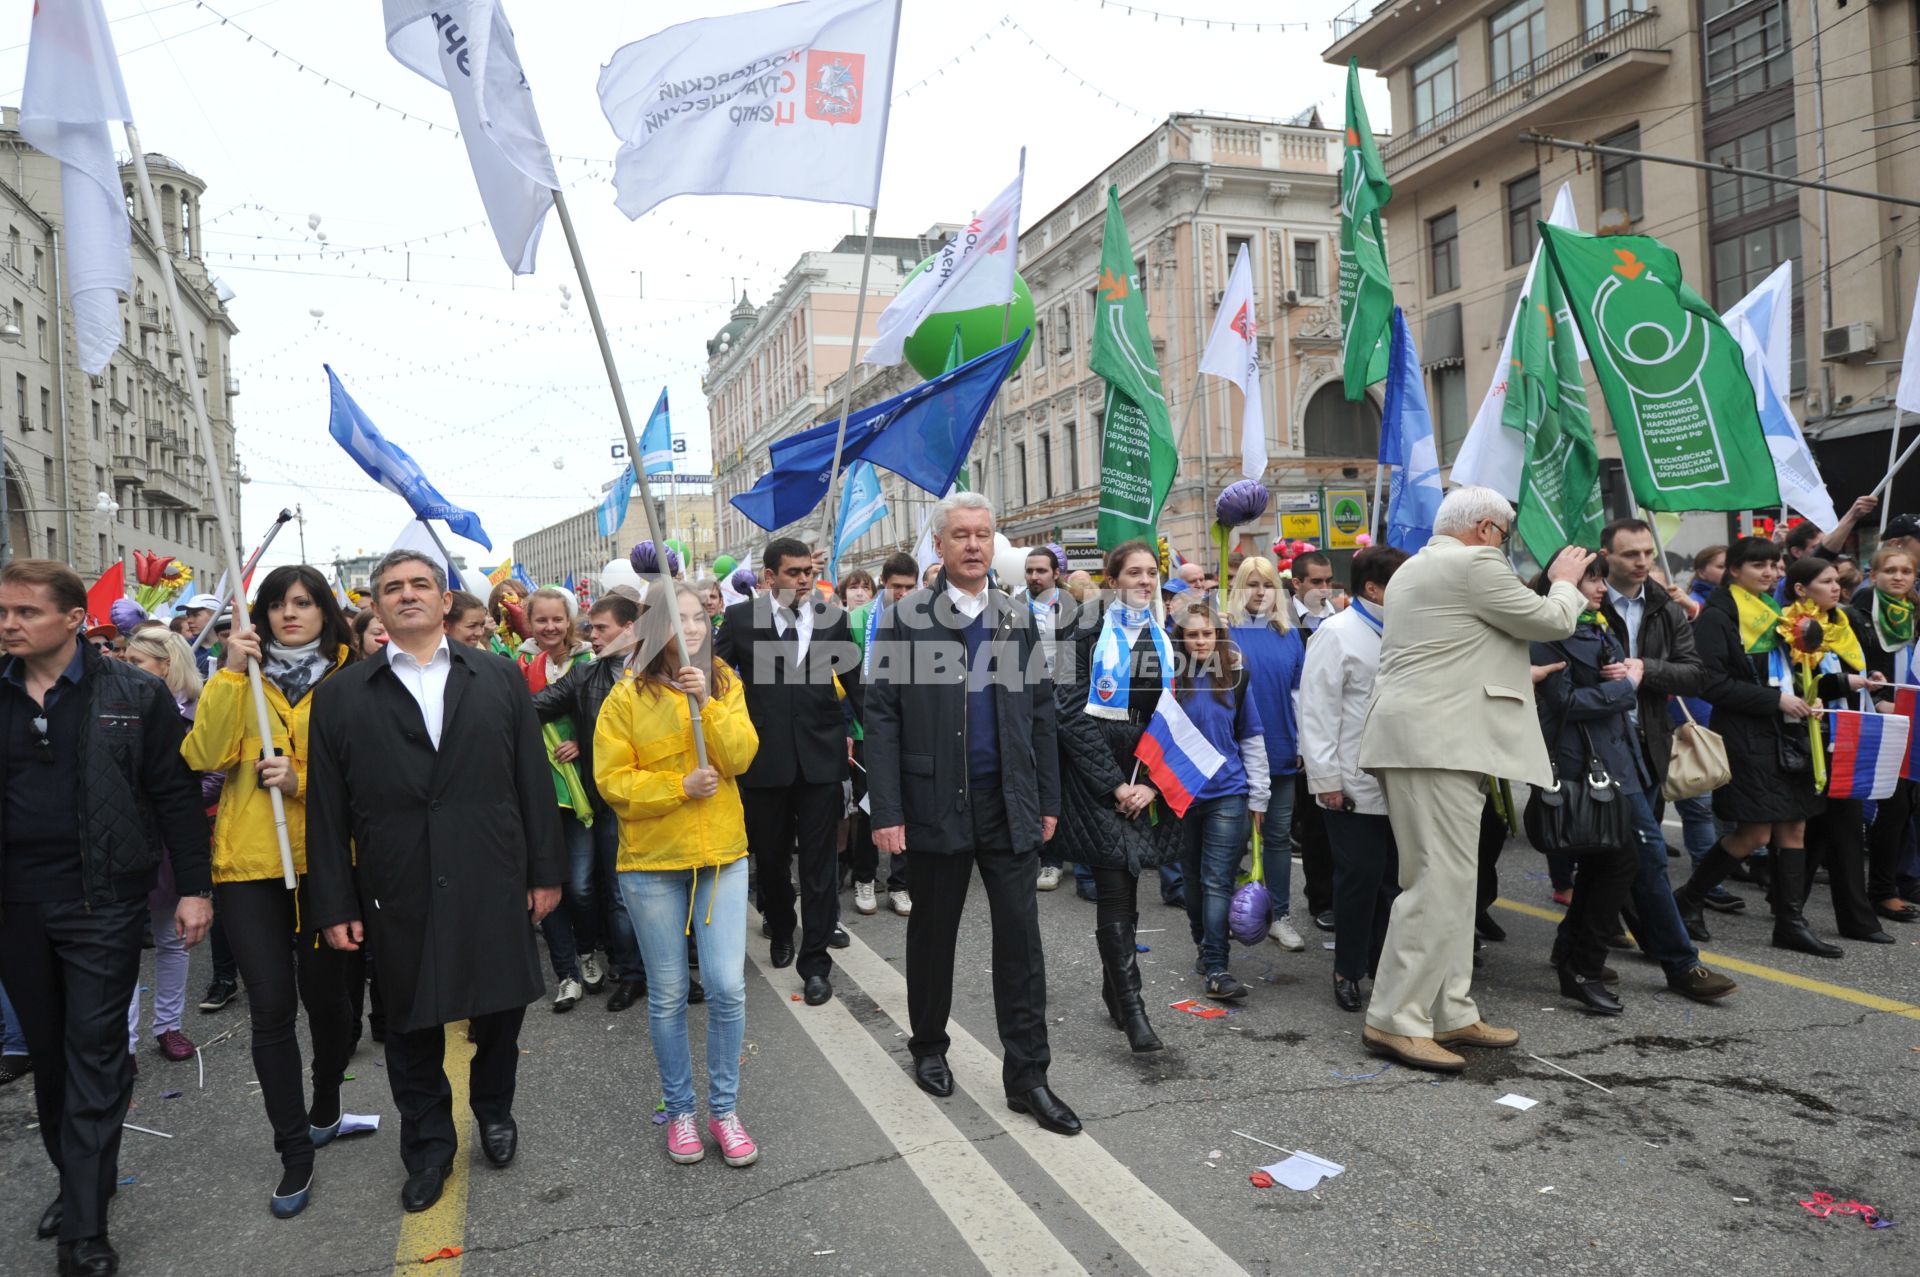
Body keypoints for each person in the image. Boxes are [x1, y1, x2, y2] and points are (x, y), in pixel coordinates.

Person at [306, 550, 564, 1215]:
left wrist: (545, 872)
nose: (407, 594)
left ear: (445, 600)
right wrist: (332, 900)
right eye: (392, 587)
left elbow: (532, 783)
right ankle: (427, 1146)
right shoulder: (340, 694)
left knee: (500, 1010)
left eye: (420, 583)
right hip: (398, 881)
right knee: (411, 1024)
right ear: (376, 606)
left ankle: (494, 1109)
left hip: (491, 870)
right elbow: (328, 810)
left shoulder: (501, 677)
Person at [0, 559, 212, 1275]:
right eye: (3, 610)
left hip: (104, 900)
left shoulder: (135, 692)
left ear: (69, 618)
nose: (9, 622)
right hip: (15, 905)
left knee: (95, 1052)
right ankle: (77, 1178)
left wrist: (194, 887)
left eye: (25, 611)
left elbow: (175, 795)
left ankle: (84, 1230)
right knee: (52, 1056)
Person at [1356, 488, 1589, 1073]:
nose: (1506, 547)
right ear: (1487, 529)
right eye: (1506, 535)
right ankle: (1395, 1020)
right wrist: (1563, 580)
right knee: (1436, 884)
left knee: (1452, 885)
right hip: (1435, 743)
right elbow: (1553, 618)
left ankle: (1449, 1010)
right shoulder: (1473, 563)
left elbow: (1461, 646)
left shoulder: (1419, 567)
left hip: (1429, 739)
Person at [866, 493, 1077, 1132]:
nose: (974, 545)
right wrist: (889, 809)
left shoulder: (1017, 616)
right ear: (940, 544)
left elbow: (1041, 713)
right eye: (960, 534)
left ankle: (1029, 1077)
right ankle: (928, 1046)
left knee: (1021, 941)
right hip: (935, 804)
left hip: (1007, 801)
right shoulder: (906, 619)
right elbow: (881, 717)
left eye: (983, 534)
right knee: (934, 933)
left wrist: (1046, 799)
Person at [178, 566, 358, 1219]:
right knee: (272, 1006)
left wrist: (300, 779)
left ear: (324, 611)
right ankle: (294, 1152)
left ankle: (327, 1097)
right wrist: (228, 671)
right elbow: (203, 754)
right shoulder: (239, 675)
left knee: (330, 1000)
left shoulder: (352, 677)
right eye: (277, 604)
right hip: (248, 863)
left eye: (303, 602)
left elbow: (366, 772)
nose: (289, 614)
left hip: (328, 865)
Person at [596, 582, 761, 1167]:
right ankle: (681, 1111)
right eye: (676, 619)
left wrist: (708, 706)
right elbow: (612, 784)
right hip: (652, 864)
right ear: (652, 630)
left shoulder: (723, 682)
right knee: (667, 995)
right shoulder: (624, 698)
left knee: (727, 986)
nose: (690, 629)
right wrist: (677, 787)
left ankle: (724, 1110)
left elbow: (741, 756)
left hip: (721, 855)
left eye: (697, 618)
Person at [1673, 538, 1854, 958]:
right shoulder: (1719, 616)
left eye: (1774, 565)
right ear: (1735, 570)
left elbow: (1794, 671)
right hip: (1746, 733)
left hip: (1788, 732)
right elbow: (1711, 683)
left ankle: (1790, 923)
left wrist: (1815, 695)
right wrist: (1776, 701)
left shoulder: (1777, 613)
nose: (1771, 573)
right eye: (1759, 566)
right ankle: (1688, 898)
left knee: (1795, 826)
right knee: (1753, 831)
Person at [1593, 521, 1737, 1002]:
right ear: (1605, 556)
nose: (1641, 562)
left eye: (1648, 553)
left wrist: (1646, 669)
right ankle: (1682, 963)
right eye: (1630, 553)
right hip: (1599, 746)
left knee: (1622, 856)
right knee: (1650, 852)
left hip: (1650, 743)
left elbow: (1696, 674)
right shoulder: (1581, 603)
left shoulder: (1663, 607)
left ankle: (1578, 949)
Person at [714, 538, 862, 1007]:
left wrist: (881, 740)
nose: (803, 579)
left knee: (820, 867)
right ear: (770, 576)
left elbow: (857, 684)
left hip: (820, 761)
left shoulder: (832, 620)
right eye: (794, 571)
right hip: (764, 763)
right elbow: (714, 681)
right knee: (773, 862)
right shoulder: (740, 621)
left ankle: (815, 963)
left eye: (808, 570)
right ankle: (781, 924)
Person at [1050, 540, 1182, 1053]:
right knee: (1115, 887)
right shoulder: (1078, 630)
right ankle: (1134, 1010)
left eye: (1152, 573)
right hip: (1095, 776)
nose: (1145, 582)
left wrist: (1150, 781)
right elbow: (1066, 708)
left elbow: (1173, 714)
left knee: (1129, 884)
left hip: (1145, 773)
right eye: (1134, 574)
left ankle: (1114, 987)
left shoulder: (1163, 636)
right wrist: (1114, 783)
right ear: (1112, 580)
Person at [1527, 555, 1646, 1016]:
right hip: (1577, 766)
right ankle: (1582, 968)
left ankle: (1573, 958)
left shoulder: (1597, 624)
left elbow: (1611, 678)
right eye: (1590, 578)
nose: (1600, 587)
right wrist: (1626, 686)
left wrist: (1626, 668)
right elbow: (1565, 701)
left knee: (1608, 864)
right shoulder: (1546, 630)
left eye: (1600, 578)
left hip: (1612, 761)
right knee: (1618, 862)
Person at [532, 593, 651, 1012]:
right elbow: (534, 708)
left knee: (661, 892)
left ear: (630, 628)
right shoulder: (585, 676)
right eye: (589, 628)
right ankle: (630, 972)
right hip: (606, 804)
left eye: (600, 628)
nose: (591, 636)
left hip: (661, 803)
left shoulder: (663, 671)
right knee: (606, 891)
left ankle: (658, 973)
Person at [1300, 545, 1406, 1012]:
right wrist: (1326, 780)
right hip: (1351, 784)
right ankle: (1348, 969)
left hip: (1402, 778)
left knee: (1393, 880)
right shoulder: (1336, 633)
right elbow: (1317, 712)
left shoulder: (1409, 629)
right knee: (1359, 878)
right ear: (1373, 589)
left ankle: (1385, 965)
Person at [1782, 557, 1893, 946]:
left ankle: (1840, 916)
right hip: (1809, 738)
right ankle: (1792, 910)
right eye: (1825, 581)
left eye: (1836, 581)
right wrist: (1846, 682)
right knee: (1816, 826)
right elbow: (1801, 686)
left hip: (1846, 732)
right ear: (1800, 589)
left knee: (1837, 826)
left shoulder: (1844, 621)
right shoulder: (1790, 625)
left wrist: (1869, 681)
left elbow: (1856, 668)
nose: (1835, 588)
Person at [1168, 599, 1268, 1001]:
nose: (1200, 641)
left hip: (1229, 791)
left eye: (1207, 633)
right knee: (1192, 879)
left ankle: (1216, 967)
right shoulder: (1169, 678)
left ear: (1218, 634)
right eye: (1192, 634)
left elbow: (1251, 735)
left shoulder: (1237, 676)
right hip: (1182, 794)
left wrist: (1259, 795)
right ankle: (1203, 945)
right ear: (1182, 638)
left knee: (1215, 881)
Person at [120, 629, 211, 1066]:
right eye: (125, 657)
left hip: (173, 837)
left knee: (172, 939)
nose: (125, 667)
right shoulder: (113, 705)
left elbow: (213, 770)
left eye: (137, 662)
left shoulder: (199, 710)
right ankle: (125, 1043)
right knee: (119, 943)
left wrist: (183, 796)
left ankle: (168, 1026)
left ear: (166, 666)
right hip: (123, 838)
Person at [515, 587, 600, 1010]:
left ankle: (587, 951)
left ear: (571, 620)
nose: (550, 627)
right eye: (541, 620)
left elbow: (608, 718)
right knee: (546, 886)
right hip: (537, 793)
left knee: (581, 886)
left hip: (581, 792)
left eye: (557, 619)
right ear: (529, 623)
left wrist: (583, 745)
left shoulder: (591, 662)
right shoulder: (518, 665)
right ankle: (566, 973)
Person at [1227, 556, 1305, 951]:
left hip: (1281, 749)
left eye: (1268, 584)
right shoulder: (1226, 632)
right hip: (1236, 754)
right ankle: (1224, 909)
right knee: (1234, 836)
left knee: (1276, 836)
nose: (1260, 592)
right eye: (1252, 584)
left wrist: (1302, 745)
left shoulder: (1288, 633)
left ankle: (1279, 914)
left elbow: (1299, 695)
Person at [847, 553, 918, 917]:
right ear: (883, 585)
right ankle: (864, 877)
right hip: (866, 731)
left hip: (913, 733)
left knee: (906, 805)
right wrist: (851, 727)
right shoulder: (858, 620)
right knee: (867, 807)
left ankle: (901, 883)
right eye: (896, 587)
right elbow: (845, 681)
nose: (903, 594)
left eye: (910, 587)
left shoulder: (925, 620)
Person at [1862, 545, 1920, 924]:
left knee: (1907, 806)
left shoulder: (1916, 614)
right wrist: (1880, 698)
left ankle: (1897, 882)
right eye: (1890, 570)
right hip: (1876, 717)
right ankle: (1881, 891)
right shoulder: (1860, 615)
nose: (1898, 577)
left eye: (1906, 571)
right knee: (1890, 807)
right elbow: (1853, 662)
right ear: (1874, 576)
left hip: (1912, 717)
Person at [1020, 547, 1073, 892]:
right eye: (1030, 571)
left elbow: (1073, 659)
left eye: (1041, 570)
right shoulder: (1010, 607)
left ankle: (1064, 858)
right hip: (1023, 702)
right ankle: (1040, 857)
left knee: (1063, 782)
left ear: (1056, 573)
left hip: (1061, 700)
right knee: (1034, 781)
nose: (1035, 576)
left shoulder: (1071, 609)